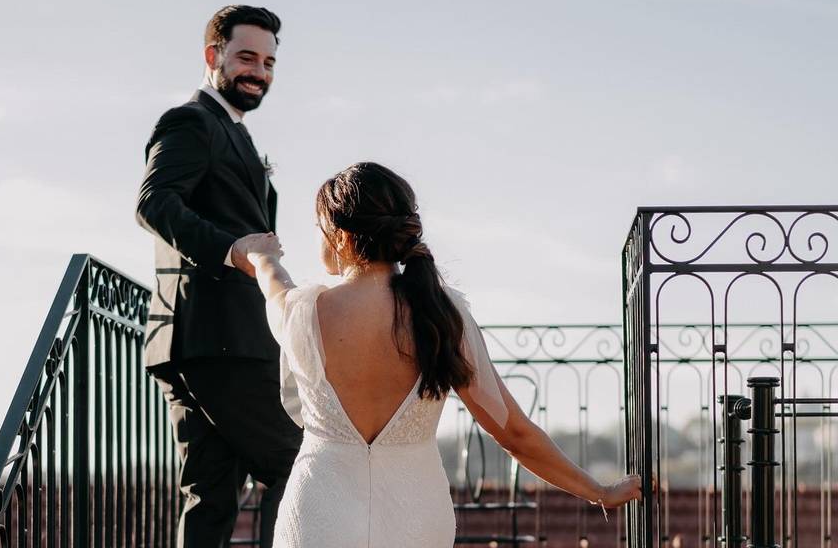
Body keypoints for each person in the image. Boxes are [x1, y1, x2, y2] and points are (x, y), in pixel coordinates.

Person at [242, 162, 642, 547]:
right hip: (417, 517)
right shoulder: (440, 312)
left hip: (318, 514)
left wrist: (262, 256)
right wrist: (600, 492)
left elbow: (273, 283)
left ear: (342, 237)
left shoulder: (303, 311)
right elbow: (514, 433)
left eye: (319, 226)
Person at [136, 5, 302, 548]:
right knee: (299, 465)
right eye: (246, 57)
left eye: (270, 62)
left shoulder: (235, 133)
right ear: (214, 56)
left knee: (209, 497)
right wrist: (233, 251)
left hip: (199, 342)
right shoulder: (191, 121)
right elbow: (155, 203)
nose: (259, 72)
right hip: (218, 338)